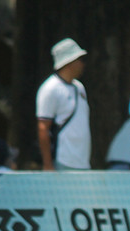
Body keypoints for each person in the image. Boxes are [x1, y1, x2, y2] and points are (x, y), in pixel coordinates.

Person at [36, 38, 91, 171]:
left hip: (83, 161)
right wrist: (48, 164)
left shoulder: (79, 87)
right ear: (69, 62)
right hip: (63, 160)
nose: (83, 64)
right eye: (80, 60)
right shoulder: (50, 88)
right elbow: (43, 127)